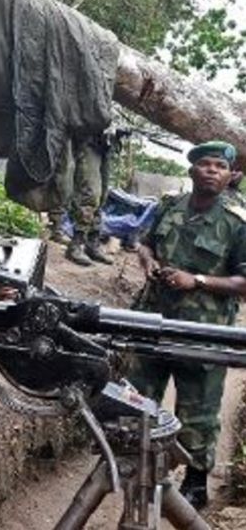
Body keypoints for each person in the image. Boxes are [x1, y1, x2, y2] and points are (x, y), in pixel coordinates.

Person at [129, 140, 246, 510]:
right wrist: (148, 261)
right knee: (137, 397)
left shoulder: (237, 223)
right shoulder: (168, 206)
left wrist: (196, 280)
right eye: (205, 164)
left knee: (198, 408)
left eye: (219, 166)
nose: (212, 170)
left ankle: (195, 484)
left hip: (203, 332)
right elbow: (144, 243)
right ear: (192, 170)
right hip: (154, 321)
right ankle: (136, 467)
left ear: (230, 176)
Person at [61, 129, 114, 266]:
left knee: (102, 197)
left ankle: (92, 244)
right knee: (90, 194)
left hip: (105, 143)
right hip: (88, 140)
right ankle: (76, 245)